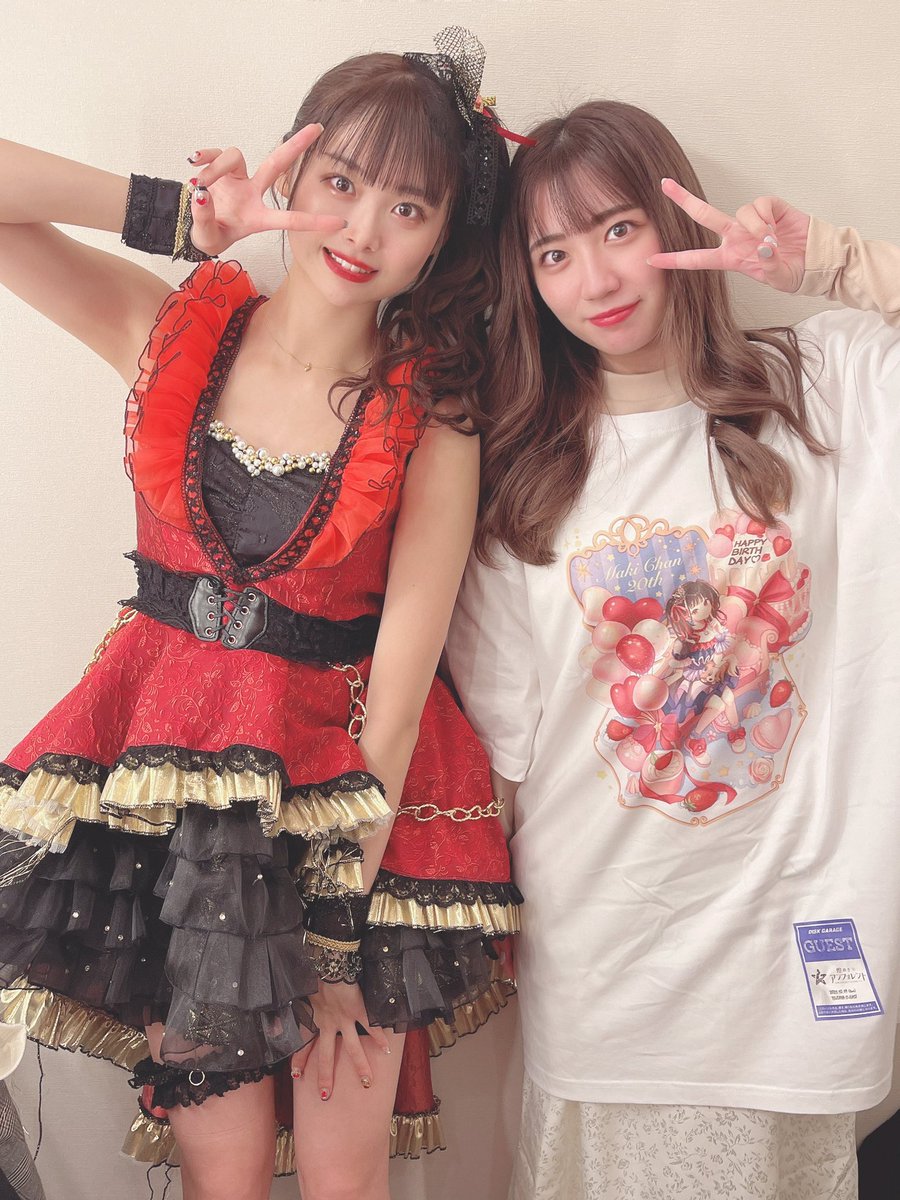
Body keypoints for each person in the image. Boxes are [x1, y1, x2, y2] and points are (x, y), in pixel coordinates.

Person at [0, 27, 521, 1200]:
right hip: (178, 818)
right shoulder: (171, 330)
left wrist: (333, 939)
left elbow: (400, 696)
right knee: (221, 1172)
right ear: (291, 170)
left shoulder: (432, 415)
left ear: (444, 237)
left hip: (352, 822)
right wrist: (176, 219)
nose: (361, 228)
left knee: (344, 1178)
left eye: (408, 207)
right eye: (340, 181)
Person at [445, 99, 900, 1199]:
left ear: (676, 223)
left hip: (798, 955)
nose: (595, 280)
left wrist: (829, 260)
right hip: (611, 965)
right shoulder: (523, 474)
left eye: (618, 230)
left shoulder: (824, 390)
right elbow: (505, 754)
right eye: (554, 253)